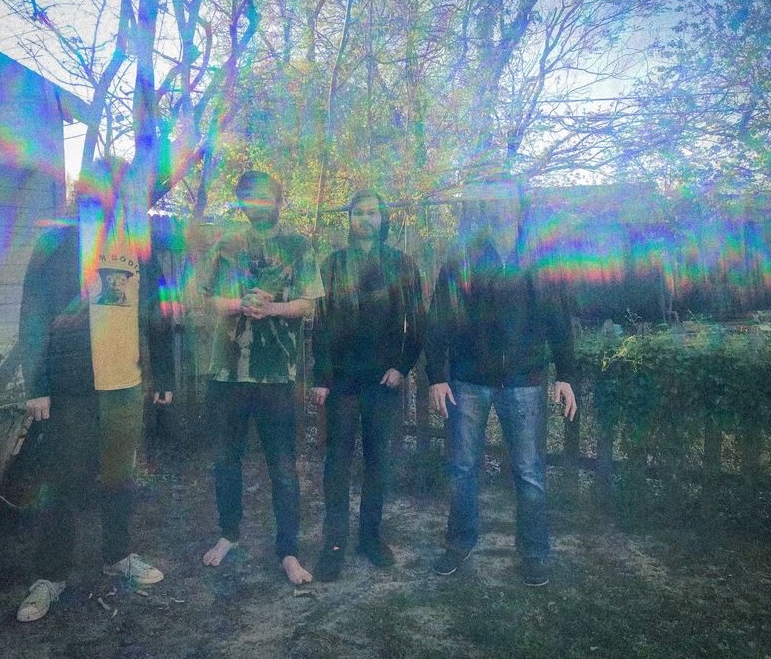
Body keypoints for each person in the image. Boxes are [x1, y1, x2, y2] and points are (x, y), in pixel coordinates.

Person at [16, 159, 174, 622]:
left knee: (119, 478)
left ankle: (118, 556)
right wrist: (37, 384)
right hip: (72, 386)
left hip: (125, 385)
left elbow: (160, 311)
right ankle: (50, 576)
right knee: (63, 482)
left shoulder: (137, 245)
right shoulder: (58, 241)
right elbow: (33, 312)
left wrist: (164, 376)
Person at [425, 173, 577, 587]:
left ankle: (534, 553)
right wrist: (436, 376)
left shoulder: (538, 256)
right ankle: (459, 544)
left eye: (506, 197)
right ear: (482, 204)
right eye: (491, 198)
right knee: (462, 468)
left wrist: (566, 374)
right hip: (469, 380)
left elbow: (558, 316)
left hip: (525, 380)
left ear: (518, 202)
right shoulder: (464, 255)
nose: (498, 204)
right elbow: (439, 316)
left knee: (529, 472)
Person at [200, 170, 323, 585]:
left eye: (264, 196)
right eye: (249, 197)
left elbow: (308, 304)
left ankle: (288, 551)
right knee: (226, 460)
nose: (257, 204)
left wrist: (270, 308)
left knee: (283, 467)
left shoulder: (298, 245)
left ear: (278, 200)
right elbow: (207, 299)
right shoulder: (226, 244)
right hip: (227, 373)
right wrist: (241, 304)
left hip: (277, 375)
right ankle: (228, 534)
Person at [310, 190, 425, 581]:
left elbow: (417, 321)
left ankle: (371, 538)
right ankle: (334, 545)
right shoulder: (333, 265)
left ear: (383, 218)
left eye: (373, 212)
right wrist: (322, 377)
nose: (366, 219)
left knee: (378, 462)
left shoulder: (401, 265)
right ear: (349, 218)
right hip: (342, 383)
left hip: (382, 382)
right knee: (337, 464)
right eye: (359, 212)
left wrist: (402, 366)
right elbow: (320, 324)